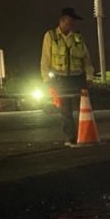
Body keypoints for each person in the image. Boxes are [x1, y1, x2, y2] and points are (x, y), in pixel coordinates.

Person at [41, 8, 95, 144]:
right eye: (70, 21)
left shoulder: (77, 37)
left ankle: (85, 134)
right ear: (62, 21)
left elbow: (86, 59)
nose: (72, 24)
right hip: (60, 79)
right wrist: (46, 79)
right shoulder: (51, 36)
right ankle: (71, 136)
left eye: (73, 22)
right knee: (65, 110)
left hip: (77, 78)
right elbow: (45, 59)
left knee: (83, 107)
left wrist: (89, 77)